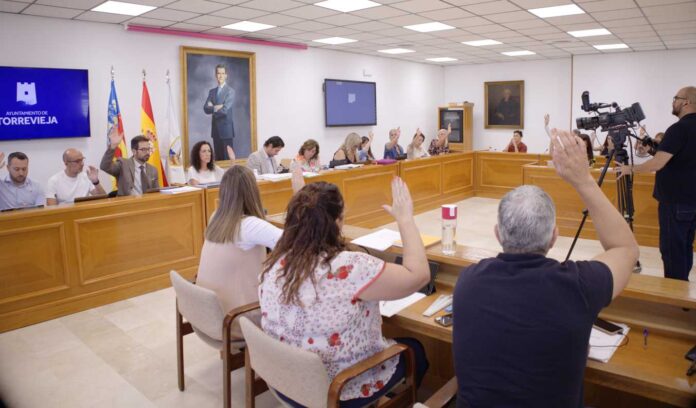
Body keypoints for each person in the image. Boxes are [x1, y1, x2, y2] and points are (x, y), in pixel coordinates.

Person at [453, 129, 640, 407]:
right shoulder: (579, 285)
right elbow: (625, 249)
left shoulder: (468, 281)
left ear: (497, 234)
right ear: (554, 237)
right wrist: (584, 180)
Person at [259, 177, 430, 407]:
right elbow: (419, 275)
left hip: (285, 381)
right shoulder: (349, 267)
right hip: (337, 390)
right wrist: (405, 218)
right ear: (337, 222)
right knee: (415, 350)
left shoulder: (275, 262)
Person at [616, 86, 696, 281]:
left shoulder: (679, 129)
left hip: (675, 202)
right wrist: (653, 148)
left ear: (686, 102)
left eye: (676, 98)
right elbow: (680, 157)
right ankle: (682, 289)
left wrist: (629, 169)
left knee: (672, 251)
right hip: (691, 202)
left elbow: (658, 163)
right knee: (685, 247)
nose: (673, 101)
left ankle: (674, 292)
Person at [195, 165, 284, 339]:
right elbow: (296, 243)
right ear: (252, 192)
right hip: (237, 318)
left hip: (208, 315)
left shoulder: (216, 216)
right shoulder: (248, 225)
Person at [100, 130, 159, 196]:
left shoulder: (153, 170)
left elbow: (156, 193)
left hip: (148, 202)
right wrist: (112, 147)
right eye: (143, 149)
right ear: (134, 151)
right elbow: (104, 166)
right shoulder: (123, 164)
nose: (147, 152)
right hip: (128, 202)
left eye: (148, 149)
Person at [204, 64, 235, 161]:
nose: (220, 76)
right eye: (218, 73)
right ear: (215, 75)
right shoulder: (212, 92)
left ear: (226, 75)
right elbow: (205, 108)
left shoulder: (230, 91)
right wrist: (216, 107)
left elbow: (225, 110)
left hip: (226, 131)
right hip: (215, 131)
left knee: (228, 160)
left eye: (222, 73)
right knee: (218, 160)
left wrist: (212, 107)